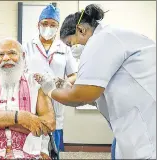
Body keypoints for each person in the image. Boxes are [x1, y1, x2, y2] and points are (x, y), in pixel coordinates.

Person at [35, 4, 156, 159]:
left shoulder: (101, 40)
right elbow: (99, 91)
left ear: (81, 30)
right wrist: (68, 88)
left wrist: (50, 90)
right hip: (131, 125)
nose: (73, 50)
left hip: (145, 130)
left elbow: (82, 96)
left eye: (71, 44)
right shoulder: (109, 37)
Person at [23, 4, 78, 154]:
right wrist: (31, 78)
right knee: (32, 146)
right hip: (33, 102)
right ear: (38, 25)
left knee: (53, 148)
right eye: (45, 23)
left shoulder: (64, 48)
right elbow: (20, 73)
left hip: (56, 100)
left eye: (53, 25)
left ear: (58, 27)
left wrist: (63, 82)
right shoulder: (27, 47)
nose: (48, 27)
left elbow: (74, 74)